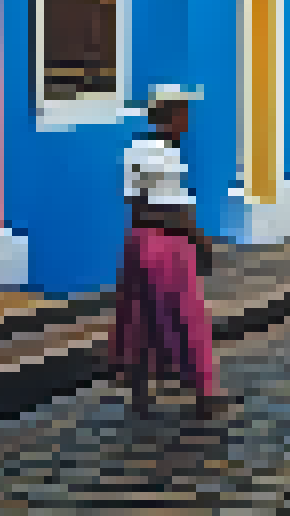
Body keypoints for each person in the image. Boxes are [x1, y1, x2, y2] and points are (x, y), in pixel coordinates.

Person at [112, 86, 226, 420]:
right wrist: (200, 240)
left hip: (138, 243)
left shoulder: (135, 151)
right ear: (169, 116)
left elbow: (136, 207)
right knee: (189, 318)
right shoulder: (168, 156)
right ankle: (206, 394)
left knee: (139, 318)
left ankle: (139, 392)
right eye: (182, 113)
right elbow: (174, 210)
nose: (186, 120)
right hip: (169, 245)